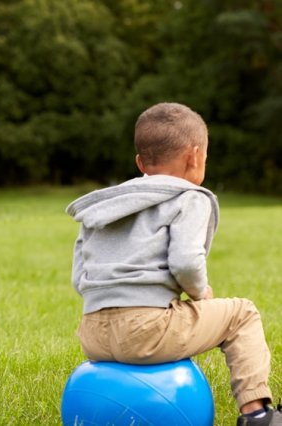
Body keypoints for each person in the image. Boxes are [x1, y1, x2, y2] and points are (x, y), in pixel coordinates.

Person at [66, 102, 280, 426]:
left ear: (140, 162)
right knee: (242, 313)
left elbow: (78, 276)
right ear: (195, 156)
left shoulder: (104, 205)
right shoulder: (189, 196)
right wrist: (200, 293)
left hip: (93, 334)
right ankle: (259, 415)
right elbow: (185, 262)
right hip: (148, 332)